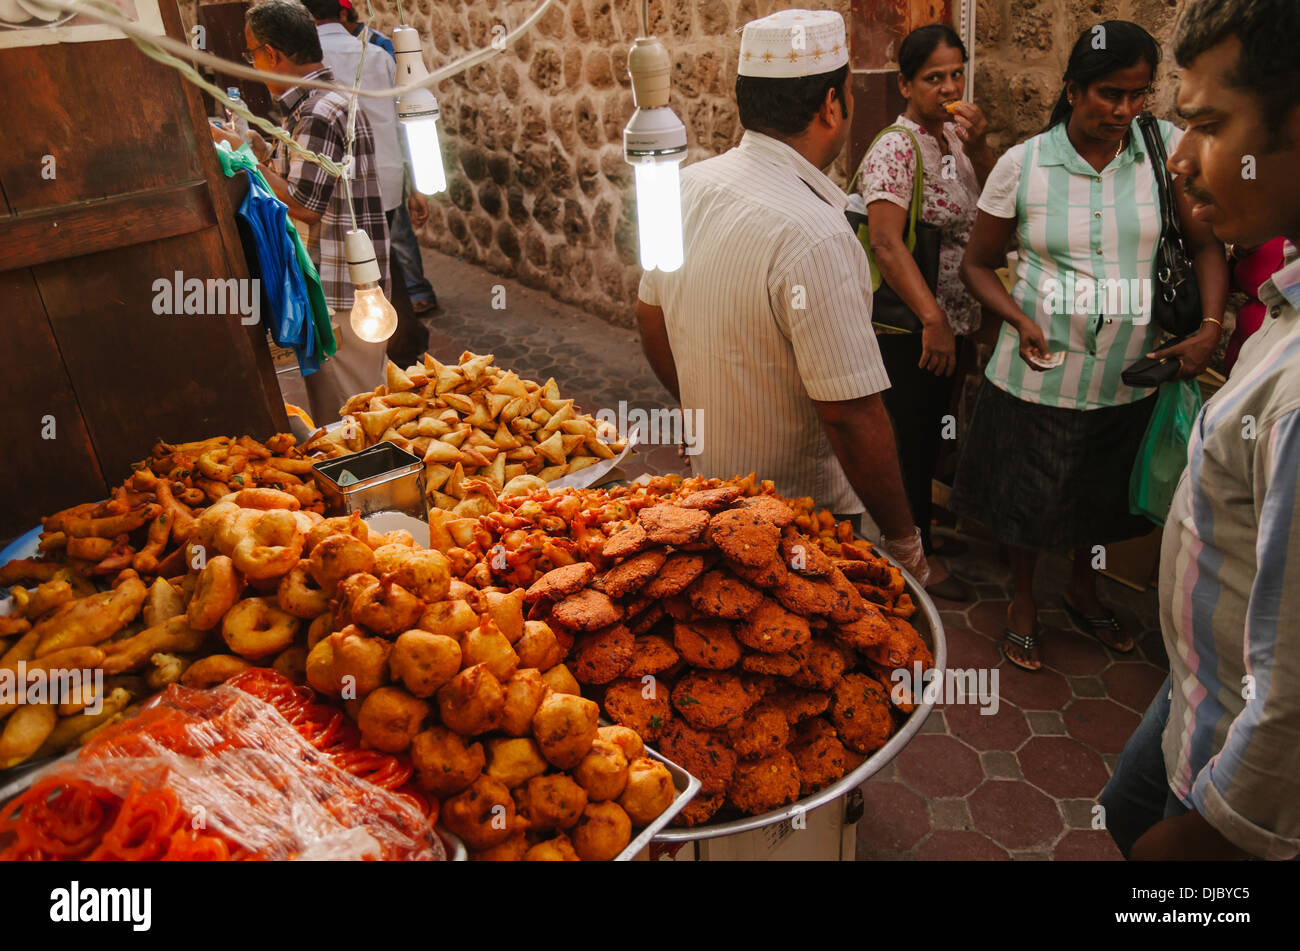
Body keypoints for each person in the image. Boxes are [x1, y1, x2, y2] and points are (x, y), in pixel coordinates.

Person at [953, 20, 1229, 670]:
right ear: (1074, 90)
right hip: (1037, 374)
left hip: (1127, 376)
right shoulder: (1024, 164)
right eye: (1110, 93)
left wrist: (1210, 328)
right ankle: (1023, 595)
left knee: (1101, 496)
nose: (1126, 110)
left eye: (1138, 94)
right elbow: (976, 263)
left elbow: (1206, 243)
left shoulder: (1165, 150)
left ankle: (1084, 585)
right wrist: (1018, 317)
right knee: (1029, 499)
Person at [1100, 0, 1300, 861]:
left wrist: (1219, 835)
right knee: (1122, 806)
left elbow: (1293, 688)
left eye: (1209, 126)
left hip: (1235, 763)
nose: (1179, 161)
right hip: (1199, 693)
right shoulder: (1287, 297)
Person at [635, 9, 930, 584]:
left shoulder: (688, 186)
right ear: (831, 104)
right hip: (799, 520)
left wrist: (703, 415)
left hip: (711, 490)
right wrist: (904, 541)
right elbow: (851, 414)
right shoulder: (817, 234)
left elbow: (652, 317)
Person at [853, 24, 994, 601]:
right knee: (908, 437)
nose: (948, 87)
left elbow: (986, 204)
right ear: (907, 84)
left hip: (951, 322)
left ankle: (925, 535)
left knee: (935, 431)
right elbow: (886, 242)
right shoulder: (897, 145)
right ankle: (910, 561)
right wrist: (933, 320)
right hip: (912, 326)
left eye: (955, 75)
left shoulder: (953, 142)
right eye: (933, 78)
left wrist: (981, 144)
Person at [223, 0, 391, 425]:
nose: (254, 64)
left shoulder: (318, 110)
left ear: (272, 54)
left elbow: (303, 205)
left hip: (339, 289)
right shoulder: (321, 103)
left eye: (252, 54)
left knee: (354, 420)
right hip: (348, 284)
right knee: (363, 407)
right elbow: (309, 183)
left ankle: (373, 489)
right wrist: (263, 152)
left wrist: (243, 156)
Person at [303, 0, 434, 367]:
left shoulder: (305, 63)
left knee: (360, 275)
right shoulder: (377, 55)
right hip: (387, 178)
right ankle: (401, 347)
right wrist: (414, 185)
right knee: (386, 266)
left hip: (337, 185)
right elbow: (402, 119)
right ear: (342, 13)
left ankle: (373, 355)